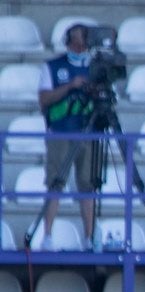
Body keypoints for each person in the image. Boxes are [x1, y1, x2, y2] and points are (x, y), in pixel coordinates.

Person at [37, 23, 97, 251]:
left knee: (88, 185)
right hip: (61, 132)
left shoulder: (95, 69)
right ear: (68, 42)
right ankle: (48, 236)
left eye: (82, 43)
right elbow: (44, 99)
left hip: (88, 133)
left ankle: (90, 238)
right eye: (75, 42)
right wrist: (71, 86)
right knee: (55, 183)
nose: (79, 47)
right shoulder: (52, 66)